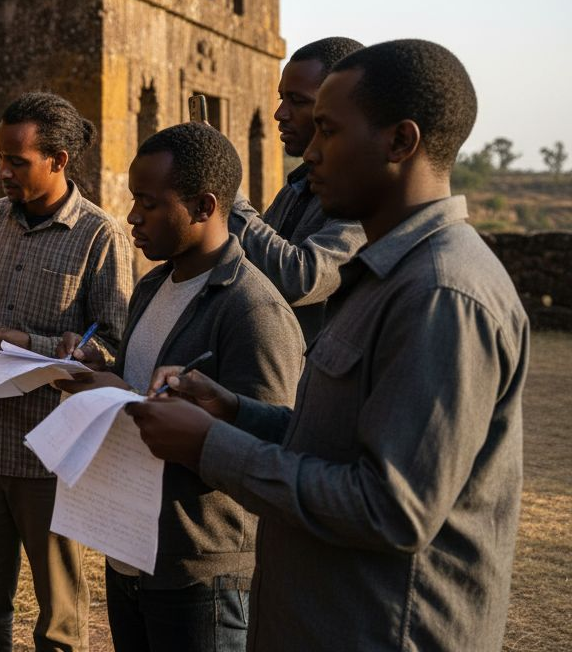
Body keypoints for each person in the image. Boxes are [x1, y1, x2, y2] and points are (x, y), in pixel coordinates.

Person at [126, 40, 528, 651]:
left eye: (328, 131)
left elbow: (389, 508)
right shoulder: (382, 276)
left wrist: (211, 446)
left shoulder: (442, 294)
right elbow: (337, 446)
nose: (309, 151)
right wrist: (235, 413)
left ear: (400, 142)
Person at [56, 122, 303, 652]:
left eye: (148, 203)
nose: (132, 217)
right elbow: (144, 393)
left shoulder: (252, 311)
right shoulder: (152, 284)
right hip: (130, 552)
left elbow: (270, 449)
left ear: (204, 205)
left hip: (199, 573)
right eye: (132, 200)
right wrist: (101, 376)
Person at [0, 92, 130, 652]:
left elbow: (114, 348)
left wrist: (32, 344)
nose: (2, 172)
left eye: (16, 162)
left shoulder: (100, 237)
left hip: (52, 456)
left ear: (59, 160)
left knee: (60, 623)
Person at [229, 37, 367, 342]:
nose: (280, 114)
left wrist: (228, 194)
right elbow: (250, 264)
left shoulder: (360, 196)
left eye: (298, 101)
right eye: (281, 98)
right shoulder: (296, 187)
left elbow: (301, 279)